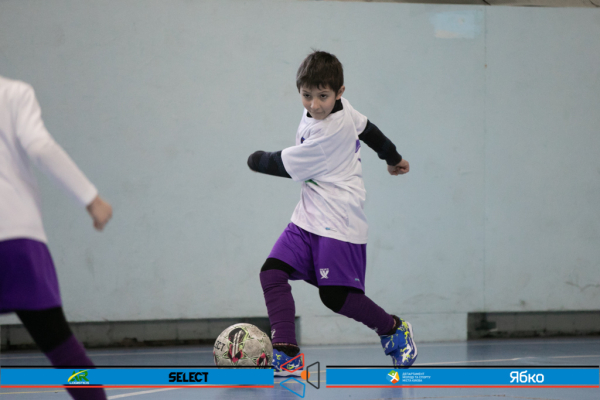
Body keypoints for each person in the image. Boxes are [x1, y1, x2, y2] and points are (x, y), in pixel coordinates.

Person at [247, 51, 417, 375]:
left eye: (322, 96)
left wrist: (252, 159)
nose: (314, 105)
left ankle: (394, 329)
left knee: (335, 297)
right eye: (306, 95)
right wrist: (393, 158)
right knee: (271, 273)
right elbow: (369, 130)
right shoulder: (342, 107)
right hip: (308, 214)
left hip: (339, 219)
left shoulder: (329, 134)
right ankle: (286, 351)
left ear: (339, 92)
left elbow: (278, 164)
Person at [0, 75, 112, 399]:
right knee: (65, 355)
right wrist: (90, 198)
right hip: (15, 239)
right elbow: (40, 146)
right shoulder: (13, 93)